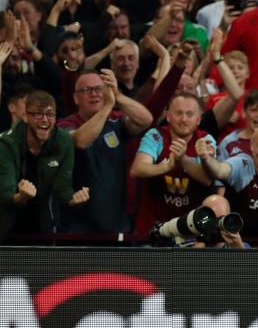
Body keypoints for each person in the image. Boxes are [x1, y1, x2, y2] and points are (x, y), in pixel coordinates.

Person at [58, 69, 152, 233]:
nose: (94, 94)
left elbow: (146, 120)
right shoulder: (65, 125)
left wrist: (118, 96)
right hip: (77, 225)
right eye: (86, 90)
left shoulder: (116, 120)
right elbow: (81, 141)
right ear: (75, 98)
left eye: (99, 89)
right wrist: (107, 106)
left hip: (116, 223)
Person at [0, 89, 89, 241]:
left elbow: (62, 185)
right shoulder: (7, 143)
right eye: (38, 114)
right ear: (26, 117)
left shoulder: (63, 141)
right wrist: (21, 197)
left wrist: (72, 199)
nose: (45, 120)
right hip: (6, 226)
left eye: (50, 114)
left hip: (44, 225)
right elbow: (4, 192)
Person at [129, 92, 216, 234]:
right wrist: (166, 166)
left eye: (189, 114)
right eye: (178, 113)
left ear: (198, 119)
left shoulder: (205, 140)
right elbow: (137, 169)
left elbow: (207, 180)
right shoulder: (155, 135)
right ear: (168, 116)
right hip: (152, 229)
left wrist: (183, 160)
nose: (183, 119)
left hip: (192, 230)